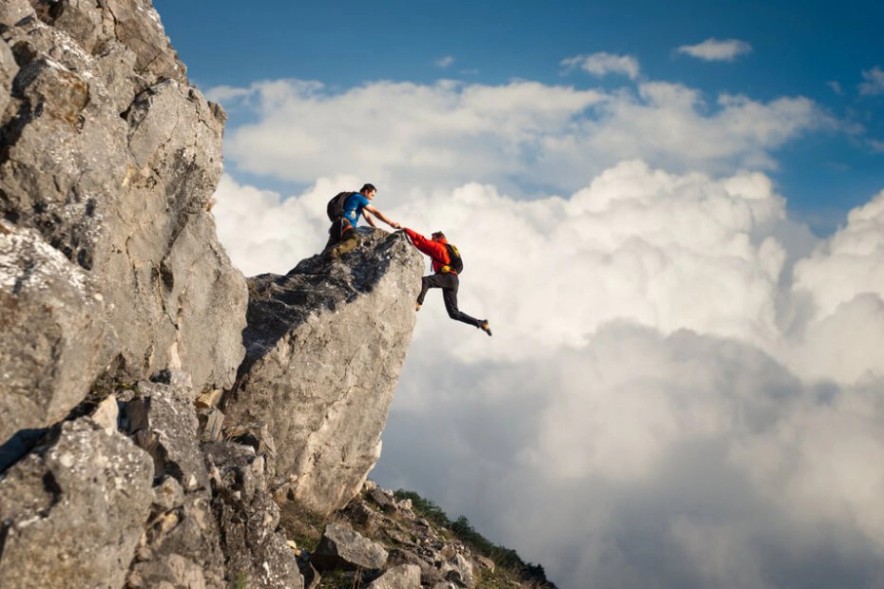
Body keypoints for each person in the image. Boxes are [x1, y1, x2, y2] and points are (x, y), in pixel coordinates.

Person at [402, 227, 492, 336]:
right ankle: (481, 323)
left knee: (426, 281)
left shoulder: (439, 247)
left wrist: (405, 229)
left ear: (438, 238)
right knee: (454, 314)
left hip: (448, 277)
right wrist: (409, 240)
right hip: (453, 280)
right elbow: (422, 246)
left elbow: (422, 240)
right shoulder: (446, 249)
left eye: (433, 238)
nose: (431, 239)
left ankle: (418, 302)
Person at [326, 183, 400, 257]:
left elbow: (367, 217)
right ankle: (335, 252)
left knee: (328, 250)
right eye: (372, 195)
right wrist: (391, 223)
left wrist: (375, 227)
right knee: (355, 239)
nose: (372, 198)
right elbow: (375, 212)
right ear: (366, 192)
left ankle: (327, 257)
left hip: (337, 225)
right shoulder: (359, 198)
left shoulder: (355, 198)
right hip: (345, 223)